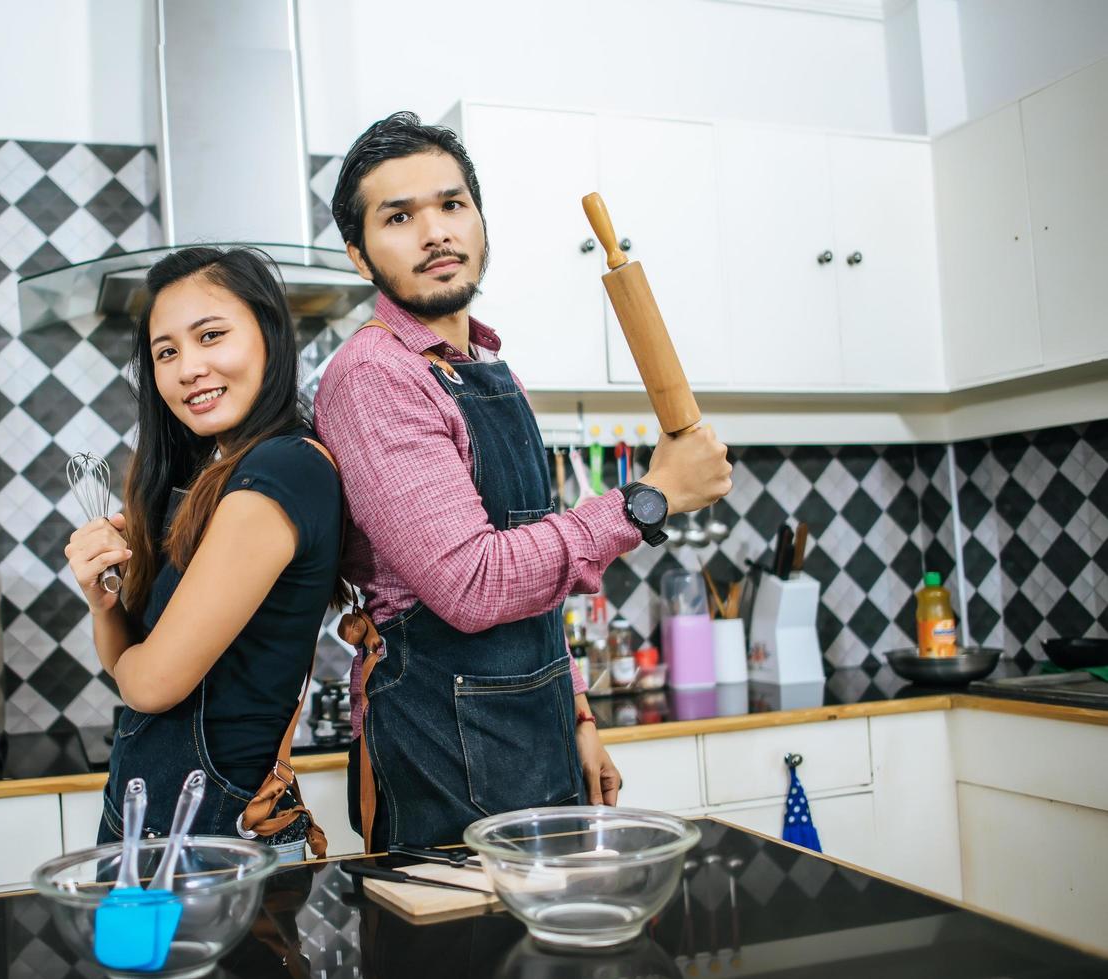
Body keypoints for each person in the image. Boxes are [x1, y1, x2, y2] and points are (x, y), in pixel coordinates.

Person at [314, 112, 733, 849]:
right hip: (438, 749)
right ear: (358, 255)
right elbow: (472, 583)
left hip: (533, 730)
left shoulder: (485, 367)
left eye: (451, 205)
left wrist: (576, 716)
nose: (436, 231)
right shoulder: (374, 376)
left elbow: (532, 567)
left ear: (479, 220)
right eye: (399, 216)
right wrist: (647, 499)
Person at [66, 246, 345, 855]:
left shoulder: (283, 469)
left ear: (269, 334)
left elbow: (150, 685)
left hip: (215, 835)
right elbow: (127, 669)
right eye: (166, 352)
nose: (188, 367)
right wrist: (103, 601)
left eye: (211, 335)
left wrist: (135, 655)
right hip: (162, 822)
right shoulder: (211, 479)